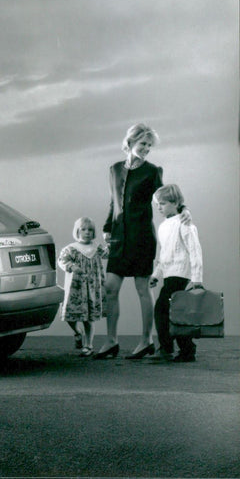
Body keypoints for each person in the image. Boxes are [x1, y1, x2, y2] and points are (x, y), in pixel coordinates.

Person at [96, 123, 164, 360]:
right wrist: (107, 227)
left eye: (148, 145)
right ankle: (111, 341)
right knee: (110, 288)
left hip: (142, 237)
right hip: (119, 237)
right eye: (142, 143)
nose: (146, 148)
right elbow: (113, 202)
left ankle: (146, 341)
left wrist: (182, 209)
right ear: (130, 143)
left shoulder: (153, 171)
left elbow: (163, 199)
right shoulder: (114, 169)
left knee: (142, 289)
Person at [149, 184, 204, 362]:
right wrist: (156, 275)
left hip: (181, 273)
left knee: (161, 310)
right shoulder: (164, 226)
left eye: (162, 204)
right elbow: (164, 254)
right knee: (176, 311)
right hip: (169, 273)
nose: (159, 208)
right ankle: (186, 349)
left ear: (175, 203)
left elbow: (195, 251)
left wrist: (197, 278)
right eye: (157, 205)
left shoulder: (185, 223)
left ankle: (167, 348)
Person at [58, 217, 107, 356]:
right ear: (77, 231)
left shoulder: (97, 248)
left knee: (89, 318)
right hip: (76, 288)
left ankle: (89, 345)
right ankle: (78, 332)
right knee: (70, 316)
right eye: (83, 229)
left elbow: (108, 254)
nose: (87, 232)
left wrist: (111, 244)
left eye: (90, 230)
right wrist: (71, 266)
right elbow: (62, 260)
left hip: (92, 288)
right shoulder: (71, 249)